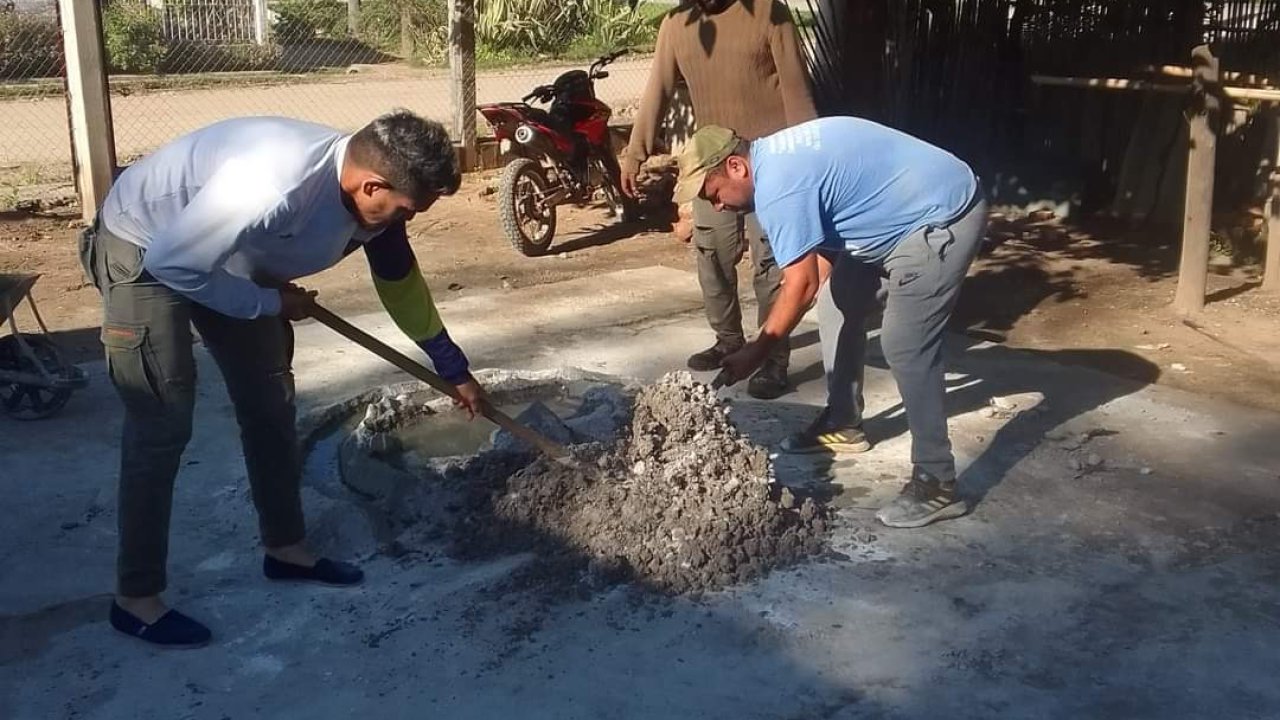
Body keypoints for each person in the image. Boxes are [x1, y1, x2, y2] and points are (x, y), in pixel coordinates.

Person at [79, 110, 486, 647]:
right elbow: (175, 263)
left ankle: (286, 549)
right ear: (371, 184)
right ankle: (136, 598)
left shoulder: (376, 205)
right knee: (163, 423)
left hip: (227, 253)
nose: (404, 220)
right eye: (406, 209)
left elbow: (400, 282)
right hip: (148, 251)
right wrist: (269, 301)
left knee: (269, 402)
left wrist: (452, 368)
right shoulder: (272, 183)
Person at [674, 118, 988, 529]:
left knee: (905, 345)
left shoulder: (779, 187)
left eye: (714, 194)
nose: (718, 207)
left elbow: (799, 283)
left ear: (736, 167)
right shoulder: (777, 161)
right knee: (837, 303)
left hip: (941, 217)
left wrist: (758, 349)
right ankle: (843, 421)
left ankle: (937, 482)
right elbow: (818, 256)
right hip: (893, 219)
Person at [621, 0, 816, 400]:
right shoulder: (678, 24)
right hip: (711, 165)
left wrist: (810, 160)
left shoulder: (768, 13)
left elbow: (797, 90)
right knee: (712, 254)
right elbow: (656, 90)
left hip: (770, 166)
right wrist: (634, 152)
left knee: (771, 266)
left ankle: (772, 358)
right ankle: (728, 340)